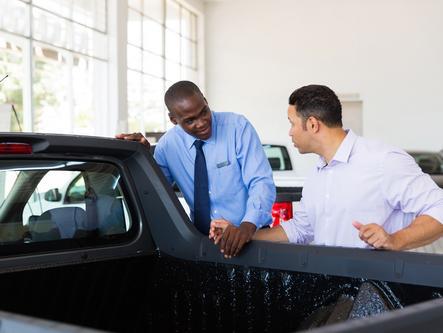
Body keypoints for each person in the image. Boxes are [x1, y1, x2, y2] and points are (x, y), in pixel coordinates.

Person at [210, 84, 443, 257]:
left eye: (291, 123)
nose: (290, 132)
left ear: (312, 124)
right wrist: (241, 234)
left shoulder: (383, 161)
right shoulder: (317, 175)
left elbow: (439, 209)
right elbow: (300, 229)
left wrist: (395, 240)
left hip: (378, 292)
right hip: (332, 288)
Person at [116, 80, 276, 253]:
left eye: (203, 112)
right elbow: (153, 192)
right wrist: (142, 157)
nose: (201, 123)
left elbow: (260, 182)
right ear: (173, 120)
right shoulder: (167, 147)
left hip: (250, 236)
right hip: (202, 243)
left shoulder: (237, 127)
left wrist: (247, 227)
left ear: (205, 101)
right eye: (190, 120)